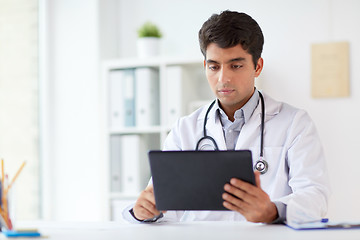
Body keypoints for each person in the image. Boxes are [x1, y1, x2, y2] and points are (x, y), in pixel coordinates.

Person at [123, 10, 330, 224]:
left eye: (236, 66)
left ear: (257, 66)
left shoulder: (294, 123)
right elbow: (163, 203)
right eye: (214, 66)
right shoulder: (185, 129)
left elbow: (315, 197)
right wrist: (146, 211)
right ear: (205, 67)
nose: (223, 78)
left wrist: (273, 211)